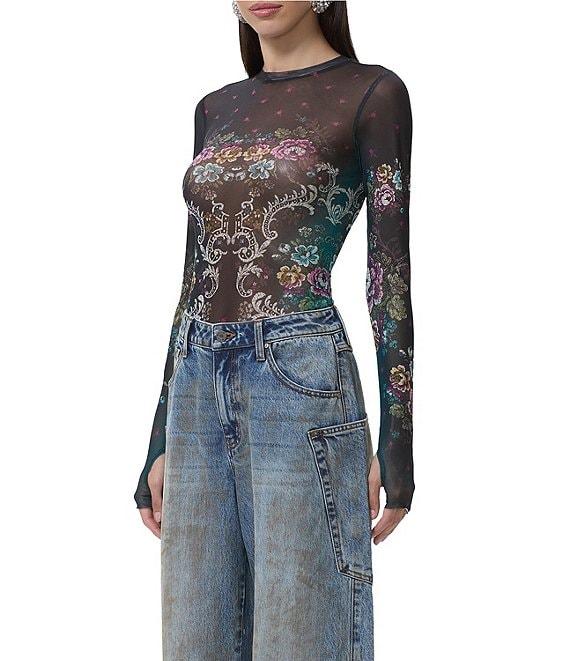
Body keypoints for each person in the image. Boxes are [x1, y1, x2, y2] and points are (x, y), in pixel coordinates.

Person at [135, 1, 414, 658]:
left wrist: (398, 443)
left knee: (302, 635)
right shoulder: (216, 108)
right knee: (195, 638)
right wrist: (159, 436)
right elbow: (195, 275)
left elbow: (388, 275)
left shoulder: (372, 93)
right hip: (197, 385)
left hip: (300, 377)